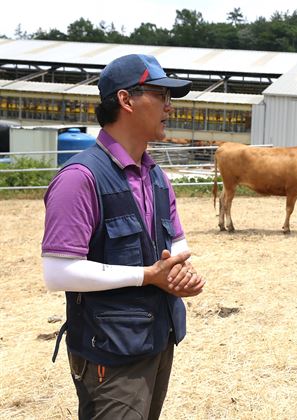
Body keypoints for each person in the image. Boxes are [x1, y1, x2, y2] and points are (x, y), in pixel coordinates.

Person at [41, 54, 206, 420]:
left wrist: (181, 271)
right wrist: (149, 275)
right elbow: (58, 272)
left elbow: (176, 243)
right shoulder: (80, 178)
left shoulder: (157, 176)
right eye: (159, 94)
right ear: (126, 100)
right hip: (110, 352)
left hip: (156, 338)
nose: (169, 105)